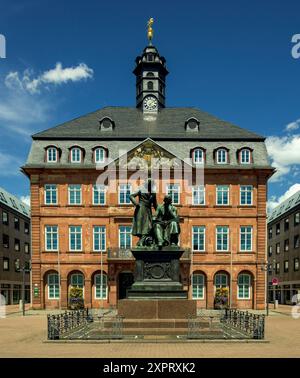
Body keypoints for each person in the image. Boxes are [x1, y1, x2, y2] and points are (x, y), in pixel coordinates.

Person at [130, 179, 157, 246]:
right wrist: (136, 204)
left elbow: (155, 204)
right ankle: (141, 241)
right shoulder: (141, 189)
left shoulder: (153, 192)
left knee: (149, 225)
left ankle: (142, 241)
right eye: (148, 183)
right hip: (141, 209)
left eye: (150, 183)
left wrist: (160, 212)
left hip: (148, 209)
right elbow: (131, 196)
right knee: (141, 225)